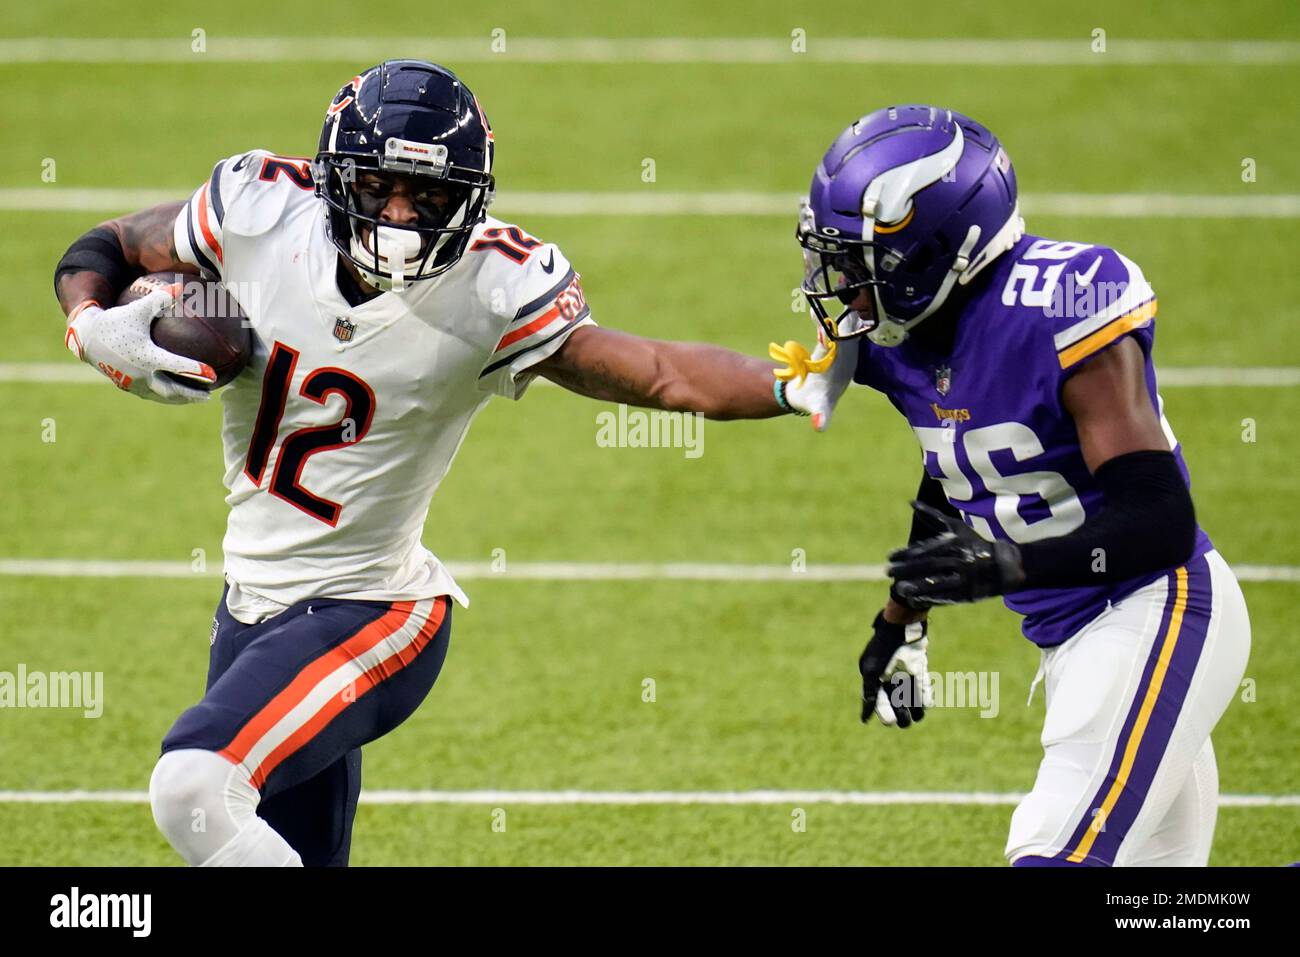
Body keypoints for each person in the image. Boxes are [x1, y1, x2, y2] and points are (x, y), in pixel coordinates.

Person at [52, 59, 852, 866]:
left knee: (193, 785)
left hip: (371, 610)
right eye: (378, 187)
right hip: (251, 609)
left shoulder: (492, 287)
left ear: (469, 198)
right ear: (335, 179)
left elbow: (657, 370)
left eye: (428, 196)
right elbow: (108, 245)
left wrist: (791, 385)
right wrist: (91, 320)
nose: (399, 216)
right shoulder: (259, 210)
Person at [796, 105, 1250, 866]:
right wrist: (901, 620)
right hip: (1075, 637)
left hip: (1154, 608)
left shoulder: (1063, 303)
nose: (847, 286)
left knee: (1049, 853)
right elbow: (959, 466)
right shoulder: (908, 339)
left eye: (865, 263)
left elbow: (1160, 519)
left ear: (937, 251)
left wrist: (1007, 567)